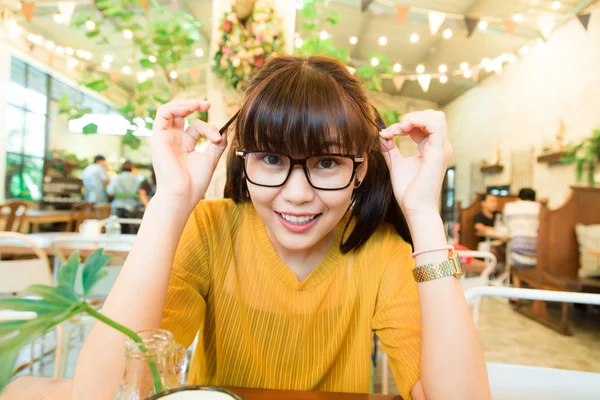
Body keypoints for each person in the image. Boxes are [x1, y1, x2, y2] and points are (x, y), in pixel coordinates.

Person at [73, 56, 490, 400]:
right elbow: (103, 394)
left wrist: (423, 215)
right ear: (243, 159)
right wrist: (170, 203)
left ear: (359, 168)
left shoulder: (382, 253)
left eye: (326, 162)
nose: (296, 194)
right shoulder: (209, 230)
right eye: (271, 159)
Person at [503, 188, 540, 270]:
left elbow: (506, 224)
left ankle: (514, 280)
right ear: (535, 199)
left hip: (517, 252)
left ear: (518, 198)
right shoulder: (540, 208)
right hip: (538, 254)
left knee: (511, 244)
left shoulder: (509, 207)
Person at [107, 161, 142, 231]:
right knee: (130, 231)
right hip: (133, 208)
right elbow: (140, 193)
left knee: (116, 230)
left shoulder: (116, 178)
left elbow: (110, 192)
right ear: (132, 168)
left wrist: (120, 195)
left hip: (118, 206)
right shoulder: (138, 179)